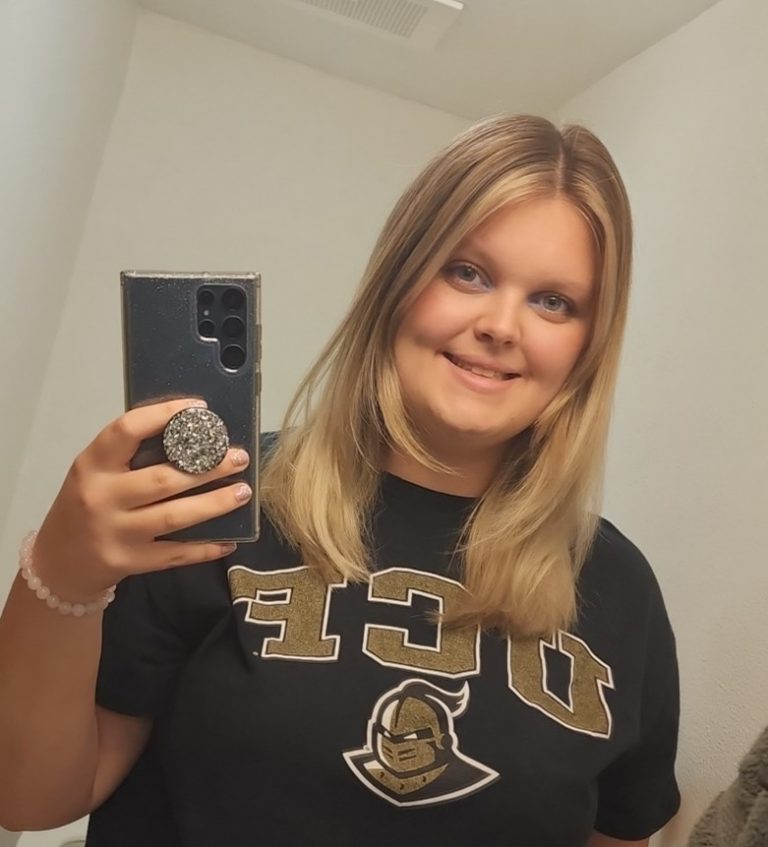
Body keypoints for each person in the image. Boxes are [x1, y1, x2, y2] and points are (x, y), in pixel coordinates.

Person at [0, 114, 680, 846]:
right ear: (400, 278)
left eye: (554, 301)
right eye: (468, 272)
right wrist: (60, 574)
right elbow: (29, 800)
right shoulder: (225, 502)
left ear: (588, 342)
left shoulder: (619, 588)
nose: (502, 324)